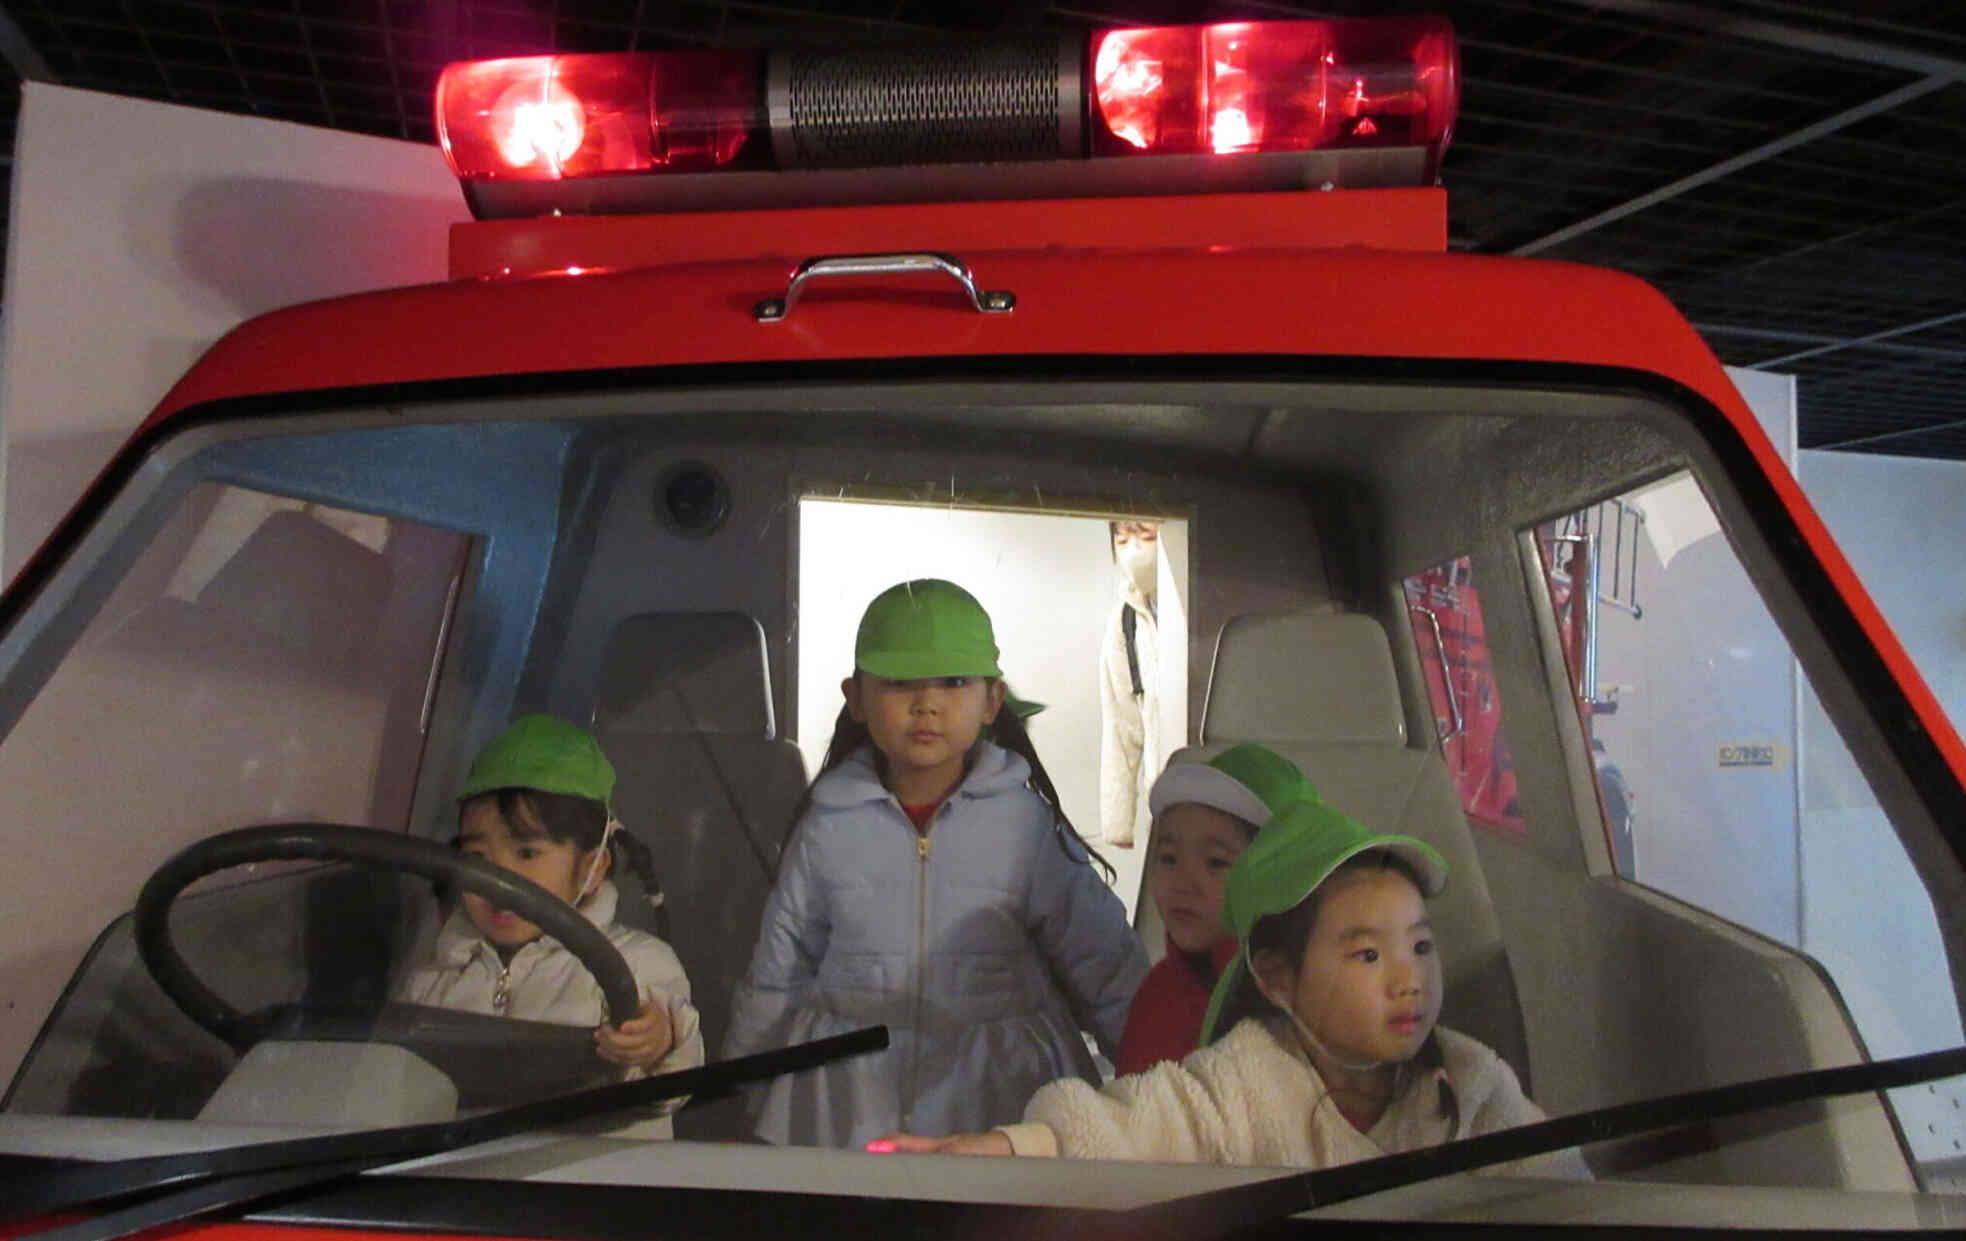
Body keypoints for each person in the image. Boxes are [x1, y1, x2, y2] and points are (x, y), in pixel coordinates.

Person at [874, 796, 1588, 1179]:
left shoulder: (1471, 1082)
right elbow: (1120, 1129)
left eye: (1422, 946)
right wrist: (1000, 1149)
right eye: (1368, 955)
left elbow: (1568, 1197)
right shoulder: (1239, 1084)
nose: (1410, 979)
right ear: (1277, 979)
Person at [723, 578, 1149, 1148]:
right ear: (856, 697)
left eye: (954, 682)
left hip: (997, 1093)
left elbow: (1102, 957)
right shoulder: (826, 825)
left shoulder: (1025, 824)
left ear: (992, 700)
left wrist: (1155, 1086)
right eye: (899, 682)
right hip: (844, 1099)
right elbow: (781, 965)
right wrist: (740, 1086)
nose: (927, 704)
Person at [397, 714, 704, 1133]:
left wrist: (660, 1042)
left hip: (589, 1170)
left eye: (527, 854)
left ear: (592, 868)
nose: (498, 882)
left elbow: (675, 1081)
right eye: (478, 859)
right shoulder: (433, 974)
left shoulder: (638, 965)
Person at [1115, 743, 1310, 1075]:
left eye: (1216, 863)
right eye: (1168, 858)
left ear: (1279, 873)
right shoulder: (1157, 994)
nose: (1183, 882)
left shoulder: (1301, 1005)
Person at [1100, 520, 1162, 847]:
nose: (1134, 551)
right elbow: (1121, 725)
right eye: (1122, 540)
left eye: (1146, 536)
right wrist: (1118, 823)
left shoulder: (1202, 610)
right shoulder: (1126, 622)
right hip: (1165, 803)